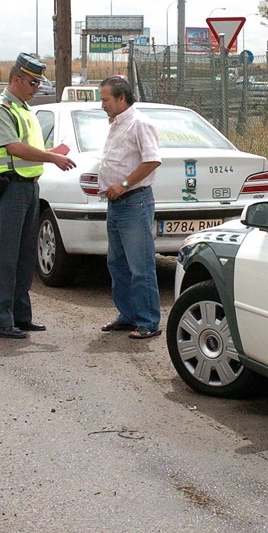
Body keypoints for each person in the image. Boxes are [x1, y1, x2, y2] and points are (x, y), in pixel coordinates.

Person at [0, 53, 76, 339]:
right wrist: (51, 157)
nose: (37, 88)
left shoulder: (23, 109)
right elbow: (13, 147)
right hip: (10, 189)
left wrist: (51, 153)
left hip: (29, 187)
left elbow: (29, 148)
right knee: (6, 258)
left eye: (38, 82)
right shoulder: (0, 109)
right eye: (33, 82)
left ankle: (20, 316)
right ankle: (0, 321)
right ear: (16, 79)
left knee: (24, 258)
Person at [97, 76, 163, 339]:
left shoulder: (139, 123)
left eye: (106, 99)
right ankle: (128, 316)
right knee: (117, 262)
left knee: (141, 265)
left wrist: (123, 184)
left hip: (134, 201)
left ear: (122, 98)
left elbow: (152, 160)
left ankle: (148, 321)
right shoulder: (116, 124)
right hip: (116, 204)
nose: (103, 105)